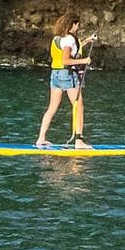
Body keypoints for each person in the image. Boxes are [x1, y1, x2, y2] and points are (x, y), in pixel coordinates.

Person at [34, 13, 90, 149]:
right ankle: (79, 141)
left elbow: (69, 51)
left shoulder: (58, 38)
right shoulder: (69, 40)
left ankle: (41, 139)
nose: (78, 27)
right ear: (72, 25)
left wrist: (86, 41)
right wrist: (84, 60)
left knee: (52, 107)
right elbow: (66, 60)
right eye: (77, 24)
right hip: (67, 75)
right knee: (78, 106)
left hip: (56, 75)